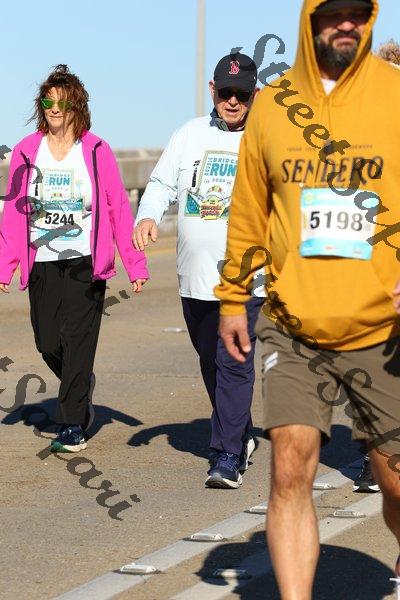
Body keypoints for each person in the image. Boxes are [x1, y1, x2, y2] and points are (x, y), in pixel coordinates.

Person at [216, 0, 400, 597]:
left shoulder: (395, 96)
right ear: (309, 17)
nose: (347, 22)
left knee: (395, 481)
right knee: (290, 466)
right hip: (292, 324)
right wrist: (231, 298)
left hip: (384, 327)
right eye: (333, 11)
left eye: (358, 12)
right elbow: (249, 209)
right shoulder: (273, 106)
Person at [0, 65, 148, 453]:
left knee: (78, 340)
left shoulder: (95, 150)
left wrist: (134, 263)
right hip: (43, 258)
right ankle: (79, 386)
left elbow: (118, 208)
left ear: (76, 106)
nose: (54, 108)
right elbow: (14, 212)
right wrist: (6, 263)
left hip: (85, 259)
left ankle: (72, 423)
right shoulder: (26, 150)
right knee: (47, 340)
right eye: (47, 101)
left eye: (62, 102)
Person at [133, 53, 264, 489]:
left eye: (241, 93)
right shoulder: (189, 135)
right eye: (225, 92)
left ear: (254, 94)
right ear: (212, 90)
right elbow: (161, 184)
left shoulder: (268, 138)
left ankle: (227, 455)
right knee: (211, 361)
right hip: (195, 276)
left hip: (247, 277)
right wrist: (147, 216)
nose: (232, 101)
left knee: (233, 360)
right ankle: (240, 431)